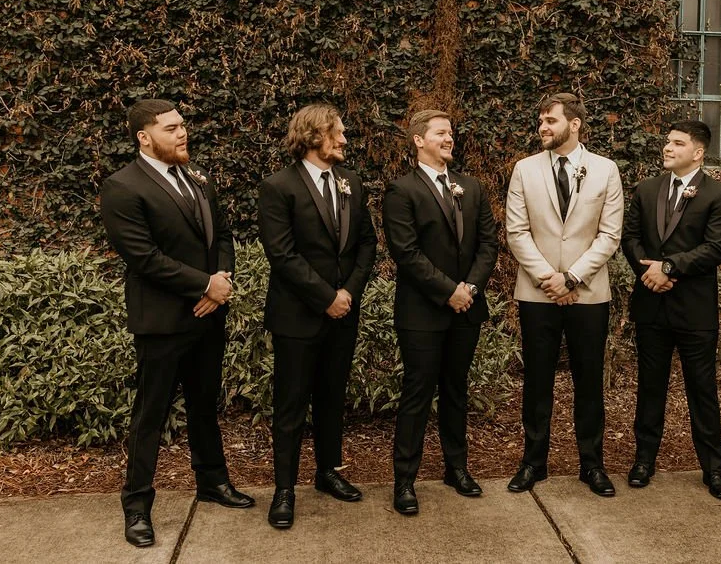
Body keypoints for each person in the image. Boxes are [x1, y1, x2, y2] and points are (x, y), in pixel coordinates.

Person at [101, 99, 254, 548]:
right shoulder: (122, 186)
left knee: (205, 407)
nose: (182, 134)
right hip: (163, 322)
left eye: (183, 126)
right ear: (144, 137)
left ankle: (212, 482)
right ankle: (136, 506)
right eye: (171, 129)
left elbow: (222, 235)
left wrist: (221, 281)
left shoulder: (198, 178)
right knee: (151, 415)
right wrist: (204, 284)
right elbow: (144, 258)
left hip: (208, 317)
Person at [258, 103, 378, 529]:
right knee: (291, 404)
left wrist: (347, 293)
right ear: (313, 136)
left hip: (344, 312)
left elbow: (367, 244)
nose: (344, 139)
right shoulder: (278, 187)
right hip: (298, 316)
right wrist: (326, 296)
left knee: (332, 398)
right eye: (337, 132)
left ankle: (328, 472)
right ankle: (284, 490)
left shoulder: (352, 182)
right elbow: (282, 255)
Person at [505, 92, 624, 497]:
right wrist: (549, 279)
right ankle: (533, 463)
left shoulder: (605, 170)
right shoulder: (524, 170)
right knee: (537, 381)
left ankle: (592, 465)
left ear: (574, 124)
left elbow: (609, 235)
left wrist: (571, 277)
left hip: (588, 294)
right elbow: (517, 232)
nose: (543, 127)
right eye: (540, 120)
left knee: (588, 382)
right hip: (538, 295)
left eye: (551, 120)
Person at [382, 109, 498, 515]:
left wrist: (470, 288)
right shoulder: (401, 191)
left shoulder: (471, 186)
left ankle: (456, 468)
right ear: (418, 140)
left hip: (467, 307)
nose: (450, 138)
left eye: (451, 132)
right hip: (422, 313)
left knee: (456, 390)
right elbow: (406, 253)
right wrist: (449, 291)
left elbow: (488, 244)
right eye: (441, 133)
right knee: (417, 393)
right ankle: (404, 481)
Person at [621, 120, 721, 499]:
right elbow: (631, 238)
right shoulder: (648, 189)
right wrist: (649, 272)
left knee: (702, 389)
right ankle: (643, 461)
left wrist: (668, 268)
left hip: (694, 310)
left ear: (698, 152)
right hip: (651, 304)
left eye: (677, 143)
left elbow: (715, 248)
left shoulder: (718, 195)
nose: (667, 148)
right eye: (667, 142)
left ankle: (713, 469)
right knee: (650, 387)